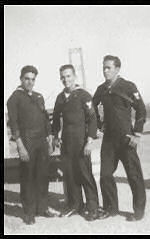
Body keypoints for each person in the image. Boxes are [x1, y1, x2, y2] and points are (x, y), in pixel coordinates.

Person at [93, 55, 146, 221]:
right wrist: (99, 125)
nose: (105, 71)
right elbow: (92, 107)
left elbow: (141, 110)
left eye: (108, 67)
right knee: (105, 174)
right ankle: (111, 208)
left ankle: (138, 211)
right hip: (109, 139)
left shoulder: (128, 86)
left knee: (134, 175)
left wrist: (136, 133)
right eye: (103, 68)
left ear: (117, 69)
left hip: (126, 138)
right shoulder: (101, 89)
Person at [7, 65, 55, 225]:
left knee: (42, 175)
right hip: (26, 141)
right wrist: (20, 146)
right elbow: (13, 124)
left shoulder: (39, 97)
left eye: (33, 79)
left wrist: (49, 138)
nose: (30, 82)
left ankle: (42, 208)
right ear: (21, 79)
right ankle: (28, 212)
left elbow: (46, 120)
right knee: (28, 177)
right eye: (27, 79)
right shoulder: (14, 98)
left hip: (41, 141)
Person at [52, 64, 100, 221]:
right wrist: (55, 136)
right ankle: (75, 205)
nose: (66, 80)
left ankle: (93, 207)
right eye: (63, 77)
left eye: (68, 76)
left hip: (81, 142)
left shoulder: (84, 95)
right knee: (71, 175)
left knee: (85, 174)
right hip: (66, 143)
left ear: (74, 77)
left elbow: (93, 119)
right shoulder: (60, 97)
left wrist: (89, 141)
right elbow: (56, 120)